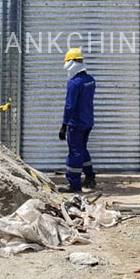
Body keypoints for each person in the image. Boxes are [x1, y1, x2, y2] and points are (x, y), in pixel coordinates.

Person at [58, 48, 97, 193]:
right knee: (82, 149)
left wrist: (64, 126)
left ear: (72, 63)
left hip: (76, 123)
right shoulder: (90, 80)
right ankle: (89, 177)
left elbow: (70, 106)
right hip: (88, 121)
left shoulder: (74, 83)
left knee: (75, 152)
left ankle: (74, 184)